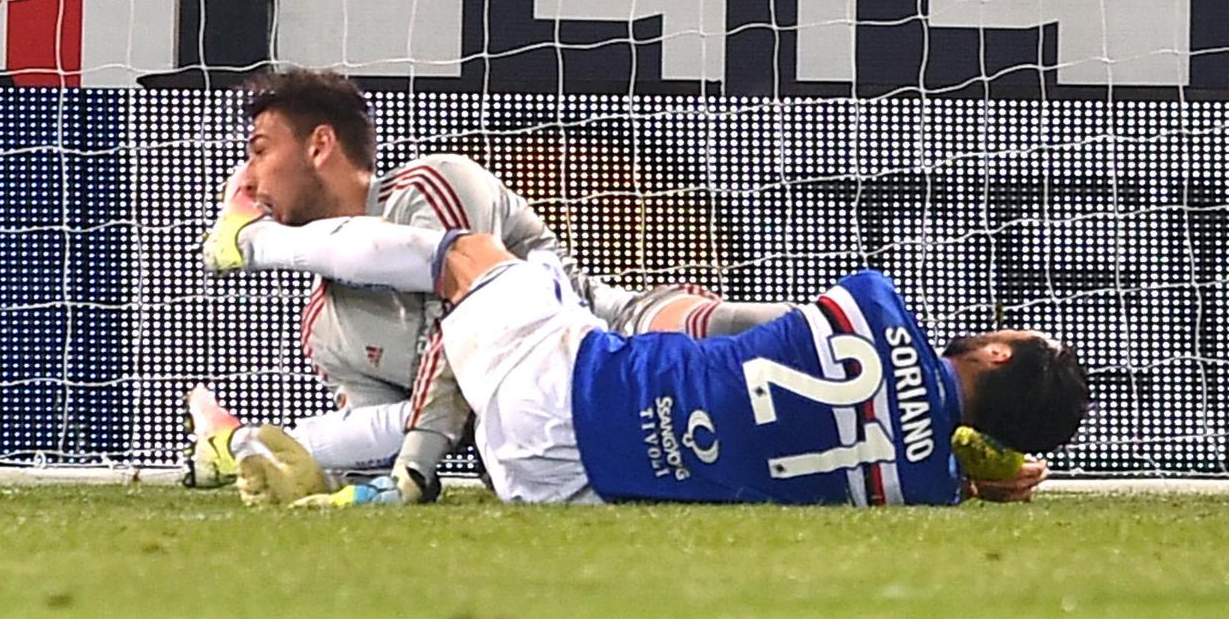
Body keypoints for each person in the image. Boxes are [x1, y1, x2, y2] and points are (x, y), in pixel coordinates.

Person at [198, 188, 1086, 506]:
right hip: (558, 485)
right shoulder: (926, 489)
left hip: (576, 390)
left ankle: (250, 238)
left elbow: (756, 330)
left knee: (464, 253)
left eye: (1008, 333)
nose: (993, 328)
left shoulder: (879, 307)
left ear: (998, 355)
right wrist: (978, 469)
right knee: (475, 383)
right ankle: (270, 450)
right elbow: (923, 445)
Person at [184, 70, 792, 505]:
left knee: (669, 324)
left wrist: (410, 468)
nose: (247, 179)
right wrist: (323, 471)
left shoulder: (431, 186)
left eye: (259, 151)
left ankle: (826, 326)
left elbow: (469, 310)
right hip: (533, 445)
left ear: (320, 145)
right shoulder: (323, 326)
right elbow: (389, 426)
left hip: (596, 346)